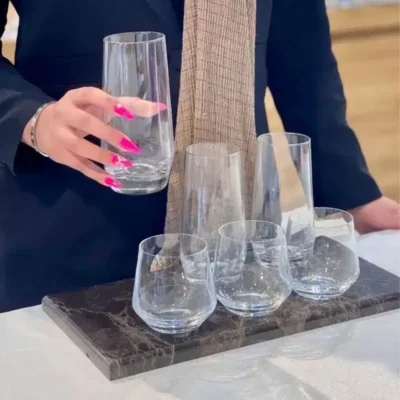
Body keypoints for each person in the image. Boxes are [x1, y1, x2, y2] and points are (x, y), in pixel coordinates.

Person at [0, 0, 399, 313]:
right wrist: (32, 118)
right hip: (72, 221)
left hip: (236, 226)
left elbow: (302, 51)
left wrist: (351, 192)